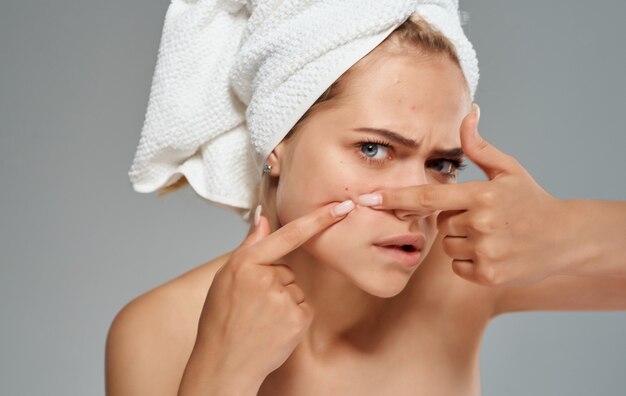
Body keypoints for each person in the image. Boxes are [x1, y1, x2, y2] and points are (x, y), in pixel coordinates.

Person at [105, 3, 626, 396]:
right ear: (277, 146)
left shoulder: (458, 277)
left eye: (442, 164)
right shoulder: (159, 332)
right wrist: (220, 377)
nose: (415, 203)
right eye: (374, 148)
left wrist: (567, 231)